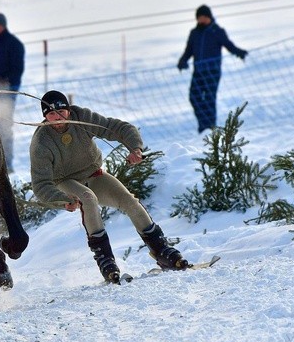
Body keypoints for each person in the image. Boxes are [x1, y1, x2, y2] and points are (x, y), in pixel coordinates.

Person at [29, 90, 190, 284]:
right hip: (65, 181)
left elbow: (117, 127)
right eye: (51, 114)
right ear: (45, 116)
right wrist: (63, 200)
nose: (57, 118)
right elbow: (40, 185)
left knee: (129, 201)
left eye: (61, 111)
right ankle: (106, 261)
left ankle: (161, 250)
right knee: (88, 198)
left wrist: (135, 148)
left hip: (94, 174)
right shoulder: (41, 142)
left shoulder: (82, 118)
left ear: (69, 110)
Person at [177, 4, 248, 133]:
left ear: (209, 17)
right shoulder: (194, 33)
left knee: (209, 98)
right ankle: (203, 125)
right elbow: (188, 50)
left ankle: (210, 126)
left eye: (204, 17)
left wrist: (239, 52)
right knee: (194, 97)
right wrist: (182, 61)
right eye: (199, 17)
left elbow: (229, 45)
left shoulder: (217, 31)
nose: (202, 19)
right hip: (198, 71)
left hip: (212, 72)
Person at [0, 12, 25, 172]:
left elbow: (17, 68)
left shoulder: (14, 44)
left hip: (6, 91)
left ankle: (7, 163)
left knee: (5, 126)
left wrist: (10, 85)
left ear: (3, 25)